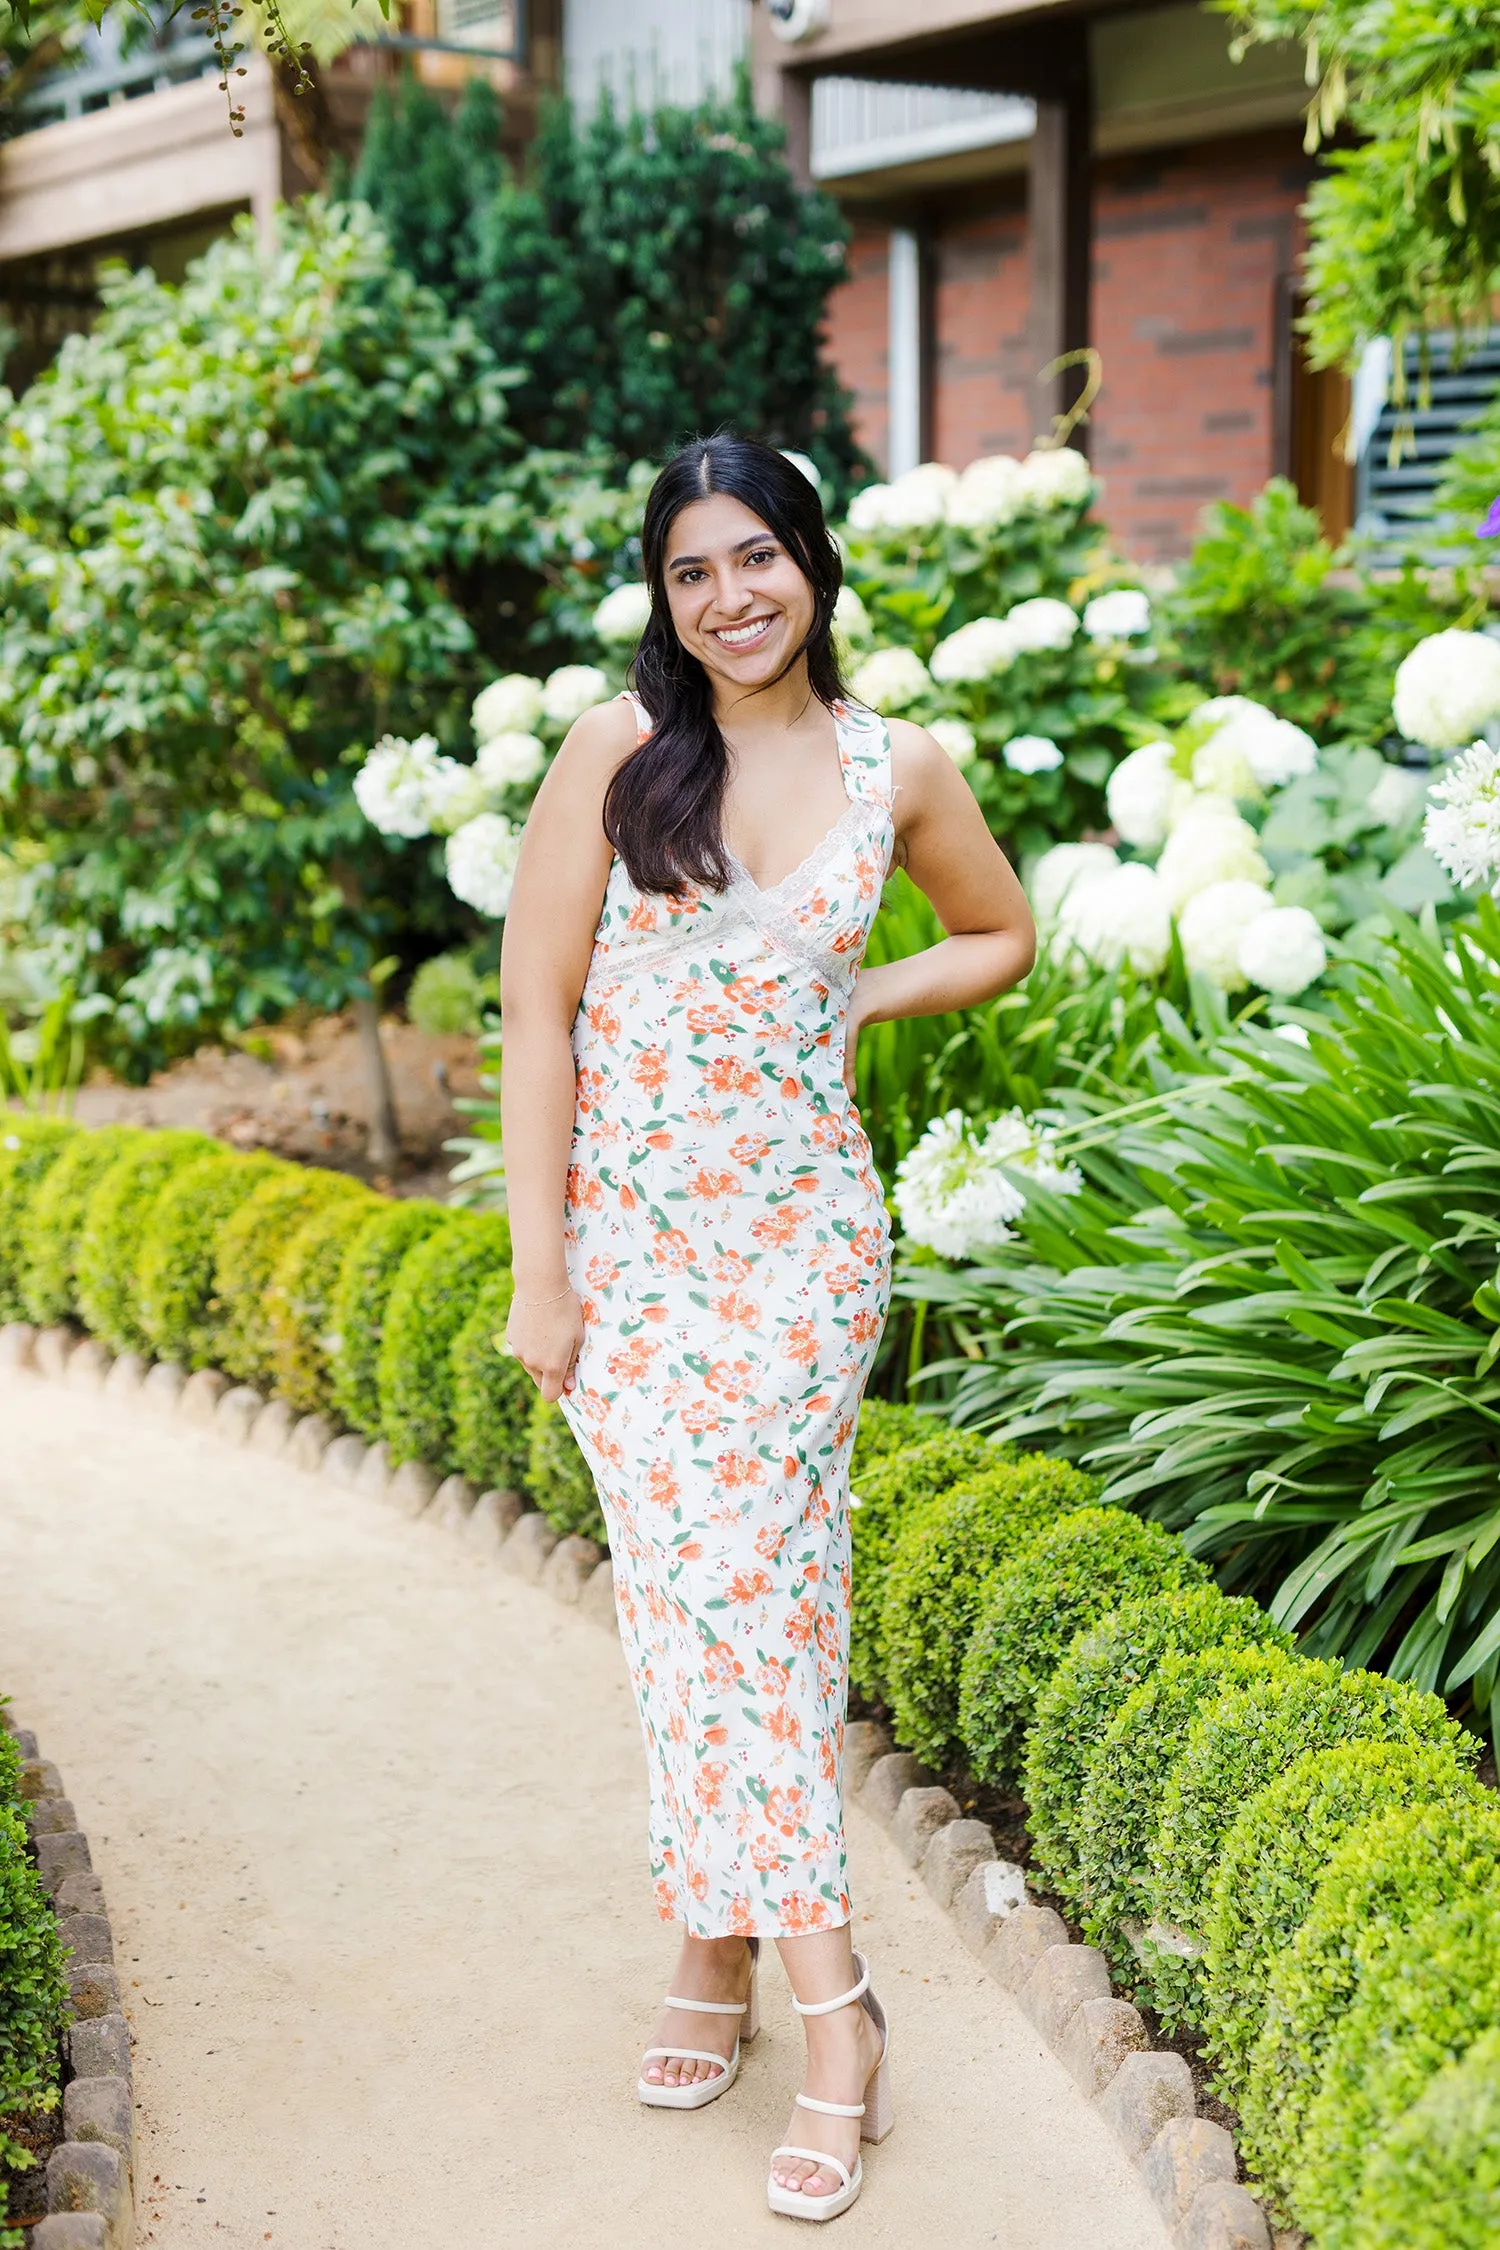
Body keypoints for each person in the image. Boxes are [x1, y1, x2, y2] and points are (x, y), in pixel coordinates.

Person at [500, 434, 1035, 2221]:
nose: (730, 596)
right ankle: (719, 1950)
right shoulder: (616, 752)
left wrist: (858, 985)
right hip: (631, 1269)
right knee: (697, 1609)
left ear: (812, 560)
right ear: (664, 596)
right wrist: (539, 1273)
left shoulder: (901, 768)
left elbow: (1004, 932)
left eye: (758, 557)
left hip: (804, 1260)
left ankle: (830, 2011)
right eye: (690, 571)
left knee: (745, 1598)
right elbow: (534, 1014)